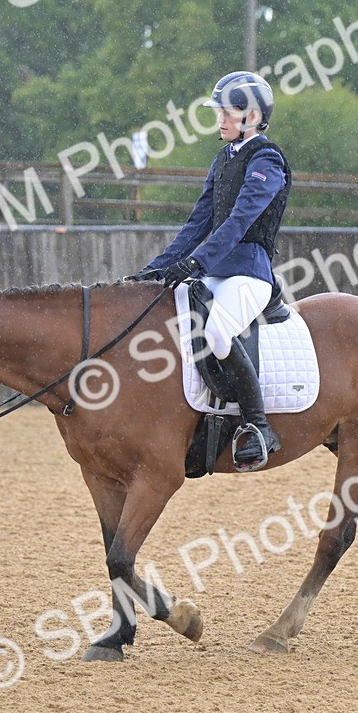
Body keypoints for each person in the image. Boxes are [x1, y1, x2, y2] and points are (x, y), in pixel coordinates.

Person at [125, 71, 292, 471]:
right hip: (216, 270)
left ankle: (257, 425)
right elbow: (198, 223)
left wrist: (199, 263)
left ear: (250, 117)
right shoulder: (223, 159)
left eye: (225, 112)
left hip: (249, 272)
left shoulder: (266, 160)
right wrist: (156, 270)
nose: (218, 120)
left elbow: (238, 222)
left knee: (217, 330)